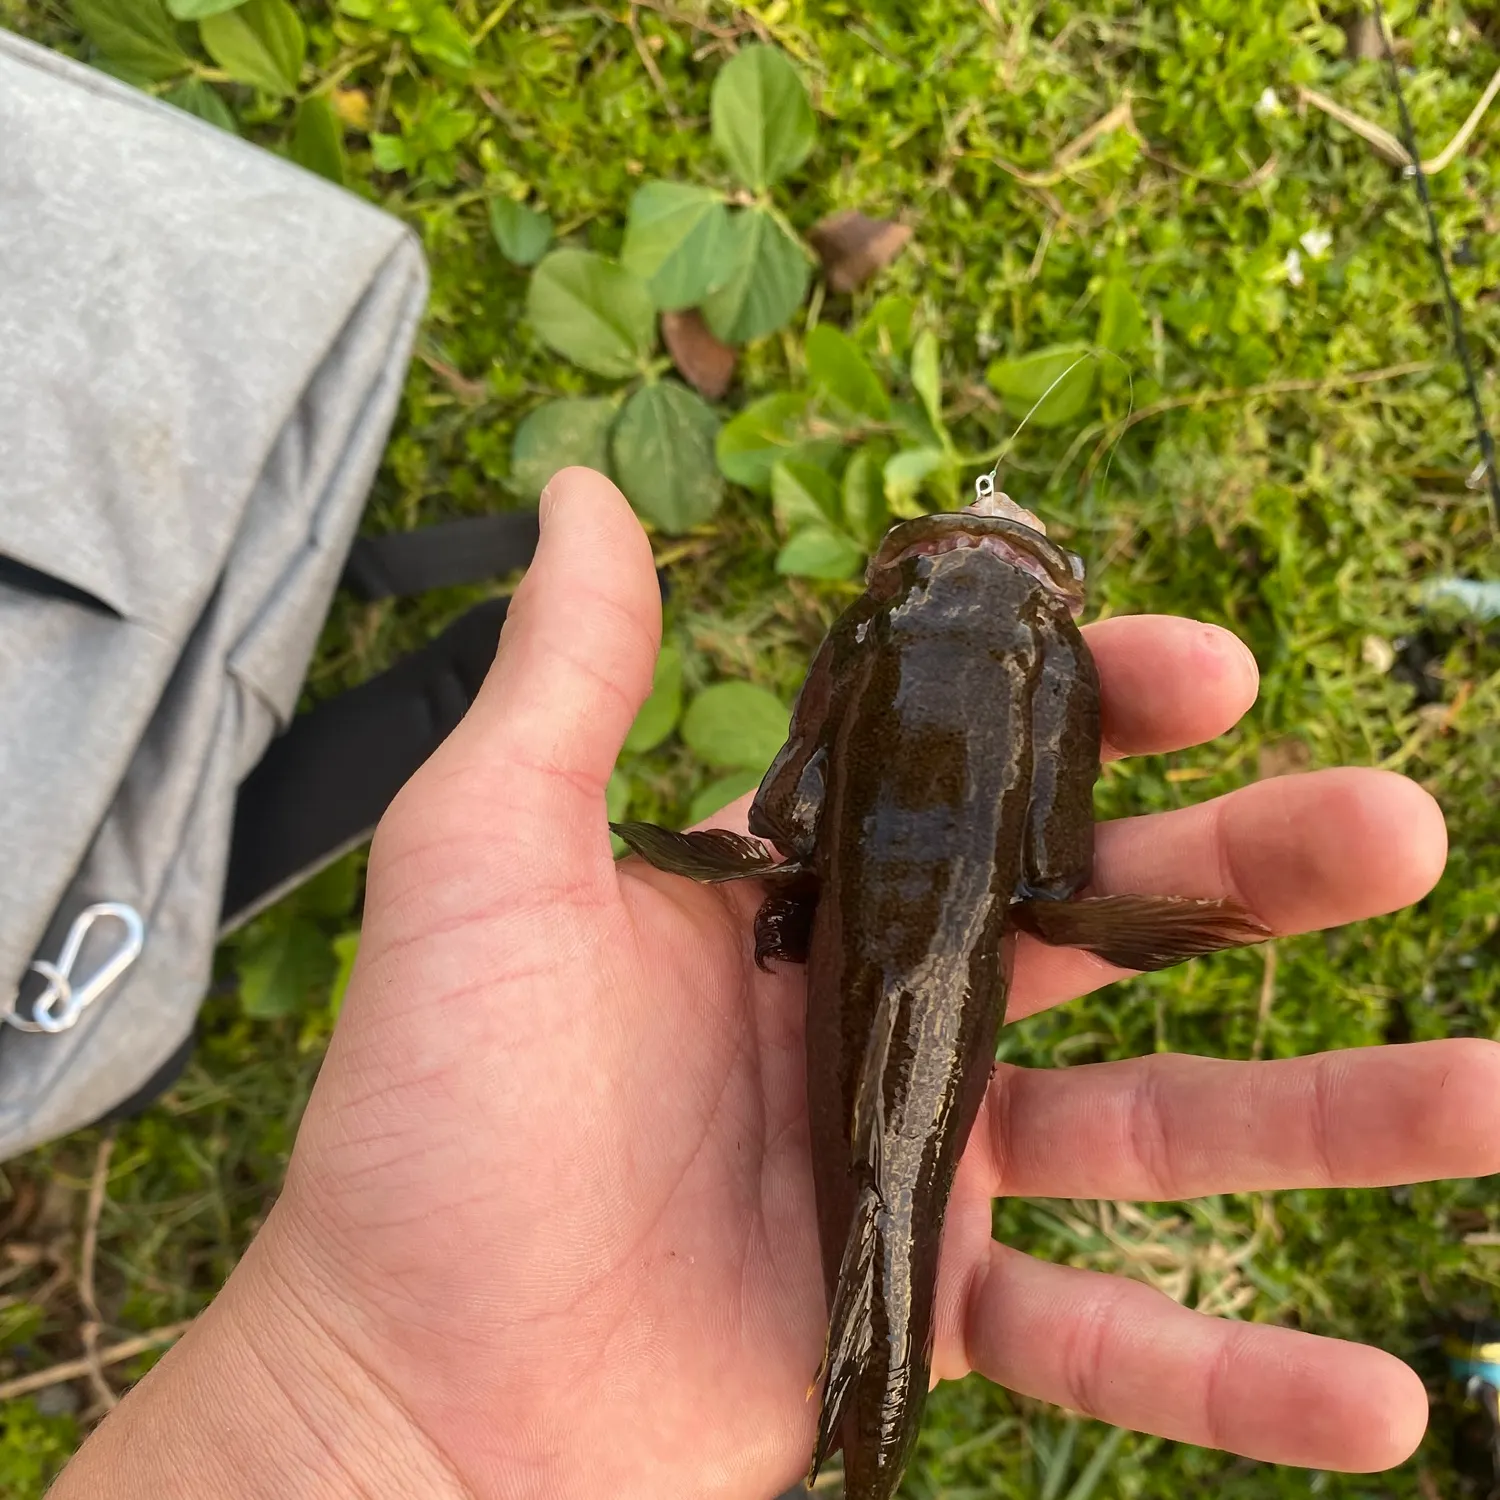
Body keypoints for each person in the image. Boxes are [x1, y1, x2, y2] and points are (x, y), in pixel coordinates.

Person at [49, 468, 1495, 1499]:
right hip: (909, 936)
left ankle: (866, 1399)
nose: (985, 545)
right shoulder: (1040, 657)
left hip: (886, 931)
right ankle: (867, 1410)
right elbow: (1042, 873)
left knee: (893, 1208)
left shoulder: (889, 631)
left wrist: (370, 1426)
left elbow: (818, 814)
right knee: (889, 1211)